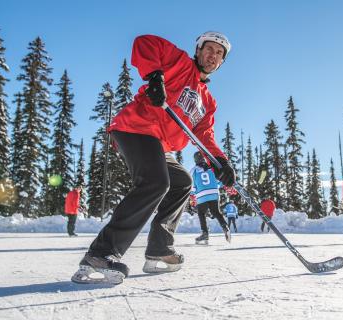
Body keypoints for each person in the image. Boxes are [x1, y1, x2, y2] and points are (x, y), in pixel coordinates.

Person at [72, 31, 236, 284]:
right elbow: (144, 42)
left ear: (222, 63)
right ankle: (100, 254)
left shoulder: (208, 101)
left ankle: (160, 248)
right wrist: (155, 76)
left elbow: (203, 134)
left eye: (219, 54)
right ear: (199, 50)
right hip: (135, 127)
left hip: (160, 145)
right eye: (209, 49)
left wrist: (221, 162)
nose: (212, 56)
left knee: (181, 182)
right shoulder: (180, 63)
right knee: (156, 182)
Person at [190, 151, 231, 245]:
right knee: (216, 212)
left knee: (201, 213)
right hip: (214, 193)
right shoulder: (211, 168)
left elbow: (193, 185)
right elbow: (219, 182)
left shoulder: (194, 170)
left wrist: (192, 194)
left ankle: (205, 233)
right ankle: (225, 227)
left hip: (201, 195)